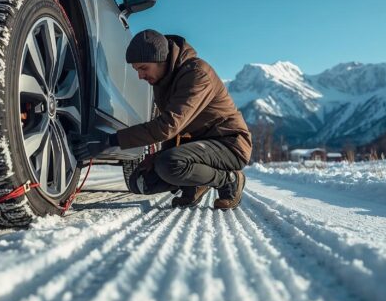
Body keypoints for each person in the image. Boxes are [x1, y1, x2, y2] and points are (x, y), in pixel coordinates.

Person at [72, 29, 252, 209]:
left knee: (169, 164)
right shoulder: (162, 80)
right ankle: (195, 183)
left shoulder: (197, 74)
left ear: (161, 60)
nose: (140, 76)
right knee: (141, 180)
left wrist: (110, 140)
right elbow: (173, 132)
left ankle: (229, 179)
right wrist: (156, 157)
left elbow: (168, 126)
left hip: (229, 144)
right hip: (197, 146)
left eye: (143, 68)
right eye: (136, 70)